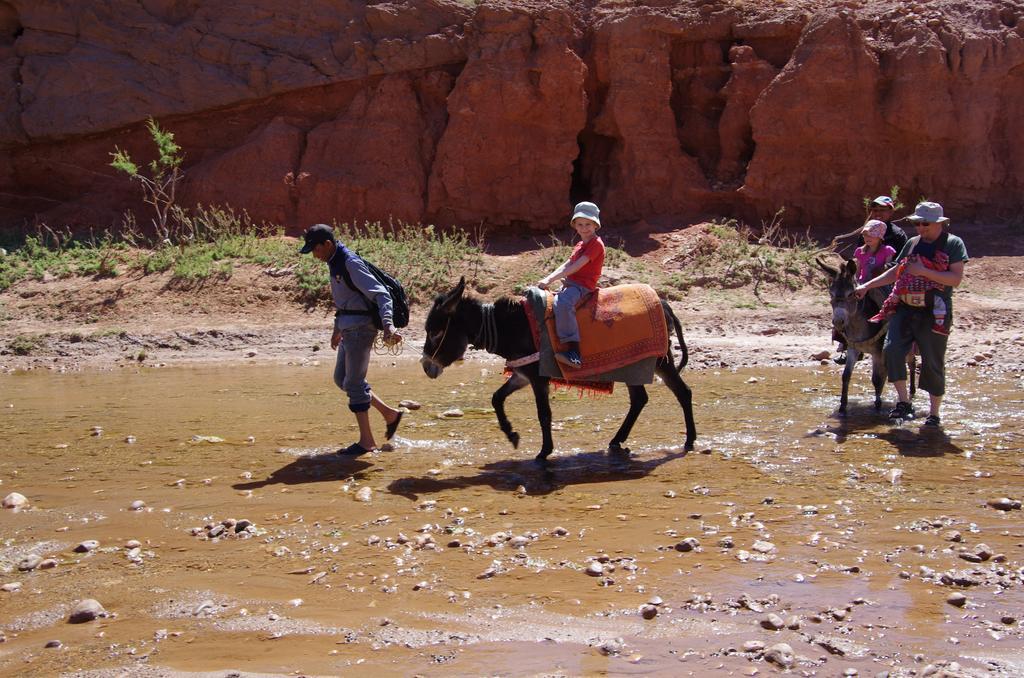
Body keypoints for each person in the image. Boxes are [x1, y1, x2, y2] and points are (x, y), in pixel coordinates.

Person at [855, 202, 967, 427]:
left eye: (924, 223)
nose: (919, 228)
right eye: (916, 223)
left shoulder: (953, 244)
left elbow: (955, 279)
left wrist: (924, 271)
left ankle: (934, 413)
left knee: (932, 361)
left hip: (934, 311)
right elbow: (896, 272)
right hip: (905, 307)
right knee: (891, 350)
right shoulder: (912, 243)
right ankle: (904, 402)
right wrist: (867, 285)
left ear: (938, 223)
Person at [300, 224, 404, 455]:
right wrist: (337, 328)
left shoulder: (349, 262)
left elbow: (381, 294)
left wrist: (388, 325)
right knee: (342, 379)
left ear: (327, 244)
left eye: (315, 250)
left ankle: (367, 442)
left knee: (354, 384)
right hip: (348, 329)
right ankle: (389, 414)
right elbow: (345, 300)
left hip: (361, 330)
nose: (314, 256)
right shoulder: (333, 262)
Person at [537, 201, 606, 367]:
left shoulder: (596, 244)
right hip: (571, 283)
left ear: (595, 225)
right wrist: (547, 278)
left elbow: (577, 266)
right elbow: (567, 264)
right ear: (575, 225)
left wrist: (551, 280)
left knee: (562, 303)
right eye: (580, 224)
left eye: (588, 224)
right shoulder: (580, 245)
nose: (584, 228)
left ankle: (573, 352)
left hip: (582, 287)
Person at [854, 219, 896, 284]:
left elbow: (887, 271)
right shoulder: (860, 251)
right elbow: (858, 271)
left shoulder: (887, 250)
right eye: (865, 234)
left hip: (880, 284)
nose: (868, 237)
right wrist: (856, 283)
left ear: (880, 237)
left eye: (871, 235)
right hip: (863, 282)